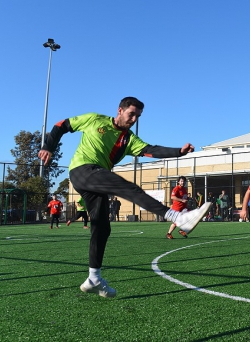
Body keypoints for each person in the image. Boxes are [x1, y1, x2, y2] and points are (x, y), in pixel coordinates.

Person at [38, 96, 211, 298]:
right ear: (119, 110)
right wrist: (49, 146)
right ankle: (177, 217)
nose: (134, 119)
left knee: (102, 227)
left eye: (138, 116)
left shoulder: (128, 139)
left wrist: (178, 152)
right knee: (128, 187)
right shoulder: (94, 119)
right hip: (82, 170)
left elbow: (149, 150)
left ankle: (94, 278)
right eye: (131, 114)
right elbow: (61, 125)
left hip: (97, 178)